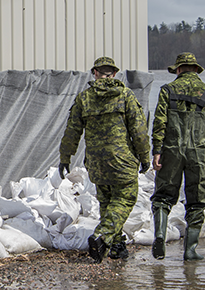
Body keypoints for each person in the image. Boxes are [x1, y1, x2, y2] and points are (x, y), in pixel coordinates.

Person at [58, 56, 150, 262]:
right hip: (122, 160)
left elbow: (72, 132)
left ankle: (116, 247)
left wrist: (65, 158)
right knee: (125, 198)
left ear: (95, 73)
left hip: (96, 163)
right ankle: (102, 236)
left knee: (107, 202)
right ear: (115, 74)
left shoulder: (84, 98)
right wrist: (145, 156)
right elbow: (139, 130)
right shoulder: (125, 95)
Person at [150, 52, 205, 261]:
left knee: (163, 197)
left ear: (179, 69)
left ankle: (161, 235)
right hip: (199, 154)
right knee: (197, 202)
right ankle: (190, 251)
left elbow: (159, 123)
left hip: (171, 151)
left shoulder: (167, 90)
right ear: (196, 69)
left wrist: (156, 151)